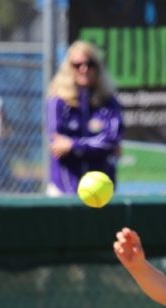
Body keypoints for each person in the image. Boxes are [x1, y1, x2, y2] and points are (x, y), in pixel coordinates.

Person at [45, 40, 123, 196]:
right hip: (64, 189)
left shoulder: (109, 102)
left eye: (90, 64)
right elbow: (58, 143)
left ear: (98, 67)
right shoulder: (57, 101)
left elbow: (111, 140)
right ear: (69, 68)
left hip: (102, 190)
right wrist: (95, 146)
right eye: (77, 65)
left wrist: (73, 145)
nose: (84, 69)